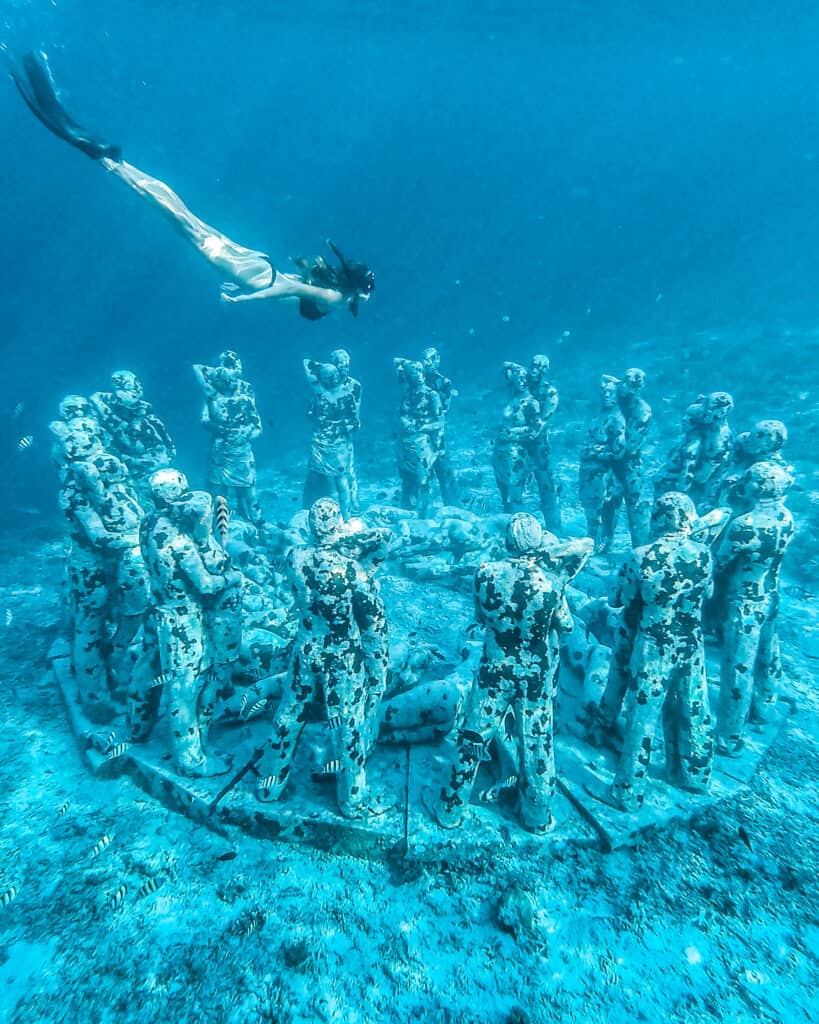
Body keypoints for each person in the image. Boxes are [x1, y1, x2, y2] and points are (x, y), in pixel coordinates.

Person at [10, 51, 374, 320]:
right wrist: (241, 300)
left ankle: (117, 163)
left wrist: (246, 296)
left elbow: (294, 286)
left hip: (259, 269)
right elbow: (292, 288)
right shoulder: (337, 298)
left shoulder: (335, 294)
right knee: (180, 222)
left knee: (185, 217)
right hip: (255, 276)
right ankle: (111, 164)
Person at [429, 514, 592, 834]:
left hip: (495, 670)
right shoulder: (551, 581)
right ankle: (537, 815)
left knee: (473, 737)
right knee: (537, 742)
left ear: (507, 541)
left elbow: (481, 617)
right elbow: (568, 627)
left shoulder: (486, 574)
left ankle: (450, 809)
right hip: (536, 676)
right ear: (538, 541)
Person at [256, 498, 383, 817]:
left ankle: (270, 784)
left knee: (289, 713)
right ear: (338, 525)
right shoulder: (353, 570)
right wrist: (378, 670)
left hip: (306, 647)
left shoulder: (294, 557)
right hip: (343, 656)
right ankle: (352, 799)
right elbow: (372, 620)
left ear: (311, 526)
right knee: (348, 723)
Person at [600, 493, 714, 811]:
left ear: (659, 518)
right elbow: (710, 591)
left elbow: (619, 598)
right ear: (687, 518)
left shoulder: (641, 556)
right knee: (693, 705)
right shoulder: (703, 554)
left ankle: (628, 791)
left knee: (642, 717)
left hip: (654, 644)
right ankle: (696, 775)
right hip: (691, 640)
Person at [139, 469, 243, 776]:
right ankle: (191, 761)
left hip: (158, 607)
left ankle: (137, 727)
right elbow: (207, 585)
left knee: (149, 667)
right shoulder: (179, 540)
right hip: (182, 621)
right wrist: (233, 577)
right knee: (184, 688)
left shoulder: (148, 523)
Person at [715, 462, 794, 754]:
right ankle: (765, 705)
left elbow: (720, 563)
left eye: (748, 481)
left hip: (745, 603)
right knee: (769, 654)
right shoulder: (786, 516)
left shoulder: (745, 525)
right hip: (770, 592)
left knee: (738, 669)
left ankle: (729, 736)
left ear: (757, 488)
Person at [193, 352, 263, 524]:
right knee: (219, 490)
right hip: (221, 450)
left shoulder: (245, 395)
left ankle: (257, 522)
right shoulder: (212, 398)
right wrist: (220, 430)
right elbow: (204, 419)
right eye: (229, 366)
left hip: (241, 450)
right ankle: (220, 525)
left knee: (248, 489)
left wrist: (247, 435)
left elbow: (257, 425)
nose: (234, 375)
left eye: (235, 364)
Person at [90, 370, 175, 499]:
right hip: (153, 467)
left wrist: (100, 404)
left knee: (152, 499)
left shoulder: (142, 421)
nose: (138, 387)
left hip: (149, 469)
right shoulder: (145, 418)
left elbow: (128, 439)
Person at [303, 359, 359, 519]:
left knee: (341, 479)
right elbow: (310, 415)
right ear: (323, 379)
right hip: (320, 443)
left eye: (334, 374)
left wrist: (336, 427)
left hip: (338, 443)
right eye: (329, 376)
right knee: (316, 477)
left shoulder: (347, 396)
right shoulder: (318, 396)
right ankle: (311, 513)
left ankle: (347, 515)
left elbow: (353, 422)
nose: (333, 378)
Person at [578, 375, 626, 553]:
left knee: (606, 511)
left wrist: (592, 451)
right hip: (590, 475)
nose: (606, 395)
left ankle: (600, 546)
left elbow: (618, 452)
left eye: (611, 392)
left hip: (605, 475)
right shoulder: (601, 415)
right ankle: (593, 542)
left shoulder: (618, 418)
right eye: (604, 391)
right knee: (591, 510)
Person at [394, 359, 445, 518]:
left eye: (421, 372)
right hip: (405, 444)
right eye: (414, 373)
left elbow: (439, 422)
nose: (419, 376)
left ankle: (425, 514)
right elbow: (401, 415)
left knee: (423, 479)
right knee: (407, 480)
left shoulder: (432, 395)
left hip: (423, 444)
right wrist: (406, 423)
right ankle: (407, 512)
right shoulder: (406, 395)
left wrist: (420, 427)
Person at [492, 362, 542, 514]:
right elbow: (504, 367)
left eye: (524, 377)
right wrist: (514, 368)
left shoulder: (531, 403)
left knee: (516, 493)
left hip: (517, 455)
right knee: (503, 491)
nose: (521, 381)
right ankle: (508, 522)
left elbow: (535, 429)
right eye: (517, 378)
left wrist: (512, 433)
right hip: (500, 452)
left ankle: (520, 525)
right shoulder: (512, 399)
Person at [611, 368, 652, 547]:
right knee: (610, 504)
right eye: (624, 382)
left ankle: (640, 546)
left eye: (630, 384)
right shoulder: (618, 399)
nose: (624, 388)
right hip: (611, 459)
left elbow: (631, 444)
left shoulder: (642, 410)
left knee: (634, 504)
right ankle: (604, 543)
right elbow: (605, 378)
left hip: (629, 463)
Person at [527, 354, 561, 531]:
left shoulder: (550, 392)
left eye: (539, 366)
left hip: (539, 445)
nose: (534, 369)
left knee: (546, 485)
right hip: (522, 443)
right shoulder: (523, 385)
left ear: (546, 370)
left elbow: (543, 421)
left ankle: (555, 528)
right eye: (532, 365)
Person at [422, 347, 459, 505]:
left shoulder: (444, 382)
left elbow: (443, 408)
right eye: (426, 359)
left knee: (444, 470)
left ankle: (452, 506)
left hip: (437, 434)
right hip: (421, 434)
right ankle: (423, 510)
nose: (428, 363)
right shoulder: (416, 378)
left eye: (432, 359)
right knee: (422, 473)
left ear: (438, 360)